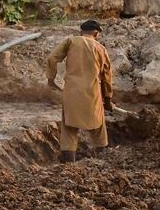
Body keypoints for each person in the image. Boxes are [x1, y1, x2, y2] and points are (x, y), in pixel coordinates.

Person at [45, 20, 115, 163]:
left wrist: (51, 79)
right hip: (92, 94)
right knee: (99, 129)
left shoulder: (71, 41)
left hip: (72, 93)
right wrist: (107, 99)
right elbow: (106, 77)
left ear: (81, 32)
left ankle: (70, 165)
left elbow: (52, 58)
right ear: (96, 34)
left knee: (69, 129)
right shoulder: (100, 48)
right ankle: (104, 160)